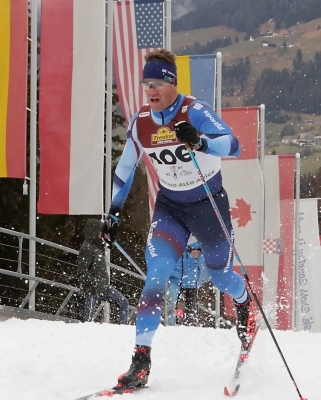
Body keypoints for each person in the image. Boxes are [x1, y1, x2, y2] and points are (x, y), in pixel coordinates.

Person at [102, 48, 259, 390]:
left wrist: (201, 142)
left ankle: (246, 309)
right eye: (146, 84)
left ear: (172, 83)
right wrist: (113, 212)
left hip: (208, 205)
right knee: (156, 276)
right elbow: (125, 167)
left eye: (157, 83)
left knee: (219, 277)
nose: (151, 91)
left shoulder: (195, 110)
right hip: (170, 208)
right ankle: (140, 361)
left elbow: (233, 146)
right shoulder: (142, 121)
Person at [77, 219, 129, 325]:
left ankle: (124, 328)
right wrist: (94, 282)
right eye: (101, 231)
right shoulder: (87, 248)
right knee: (87, 320)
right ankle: (83, 336)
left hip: (103, 287)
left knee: (124, 302)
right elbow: (81, 270)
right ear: (94, 231)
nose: (102, 234)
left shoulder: (97, 247)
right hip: (92, 289)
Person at [165, 241, 210, 326]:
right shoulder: (175, 235)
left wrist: (199, 255)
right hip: (175, 278)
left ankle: (190, 327)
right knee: (171, 304)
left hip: (192, 279)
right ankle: (170, 326)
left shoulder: (198, 237)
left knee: (191, 308)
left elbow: (206, 258)